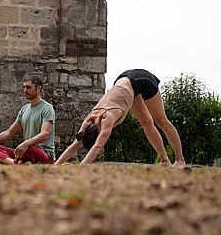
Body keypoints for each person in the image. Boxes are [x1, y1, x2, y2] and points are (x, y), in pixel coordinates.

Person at [54, 69, 186, 167]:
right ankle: (165, 161)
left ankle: (180, 160)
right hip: (124, 83)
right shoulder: (88, 122)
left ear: (99, 131)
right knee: (146, 123)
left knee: (161, 121)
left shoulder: (108, 119)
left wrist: (80, 168)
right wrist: (56, 166)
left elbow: (98, 146)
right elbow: (75, 144)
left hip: (142, 79)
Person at [0, 75, 55, 165]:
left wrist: (27, 143)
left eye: (28, 87)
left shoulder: (47, 108)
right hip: (24, 151)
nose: (25, 90)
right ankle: (14, 163)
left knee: (30, 148)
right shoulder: (24, 109)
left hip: (42, 154)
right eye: (24, 87)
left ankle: (16, 162)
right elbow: (9, 132)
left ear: (39, 88)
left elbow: (45, 134)